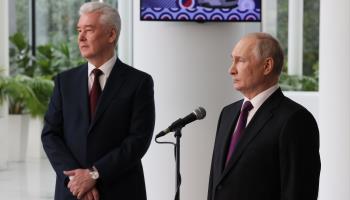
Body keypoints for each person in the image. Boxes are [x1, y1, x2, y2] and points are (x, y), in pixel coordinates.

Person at [41, 2, 155, 200]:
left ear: (111, 35)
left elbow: (138, 140)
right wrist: (77, 179)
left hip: (121, 191)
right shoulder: (64, 82)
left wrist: (94, 174)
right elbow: (51, 135)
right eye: (79, 30)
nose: (81, 37)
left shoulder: (139, 82)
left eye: (88, 30)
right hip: (72, 191)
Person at [207, 32, 320, 200]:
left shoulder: (296, 119)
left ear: (267, 66)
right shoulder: (227, 113)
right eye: (232, 60)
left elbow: (299, 192)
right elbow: (217, 184)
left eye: (241, 61)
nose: (231, 70)